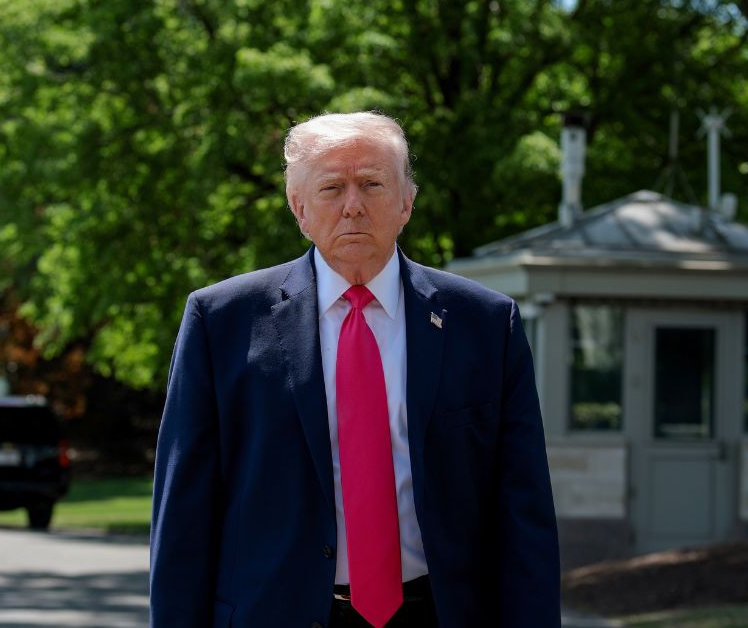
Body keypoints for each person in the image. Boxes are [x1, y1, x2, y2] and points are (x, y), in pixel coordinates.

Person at [150, 111, 559, 627]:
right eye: (331, 188)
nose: (353, 206)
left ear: (407, 201)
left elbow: (524, 512)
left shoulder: (485, 324)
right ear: (298, 207)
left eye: (372, 184)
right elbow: (184, 515)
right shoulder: (221, 323)